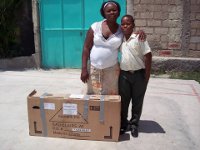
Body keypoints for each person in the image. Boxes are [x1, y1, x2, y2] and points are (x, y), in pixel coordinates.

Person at [80, 1, 146, 95]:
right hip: (93, 69)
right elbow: (86, 48)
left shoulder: (121, 30)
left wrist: (140, 31)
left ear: (118, 12)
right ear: (104, 13)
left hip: (112, 71)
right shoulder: (95, 27)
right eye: (109, 11)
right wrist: (84, 69)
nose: (112, 12)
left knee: (110, 99)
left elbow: (131, 34)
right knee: (91, 98)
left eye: (114, 10)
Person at [119, 15, 152, 137]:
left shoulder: (139, 37)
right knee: (123, 101)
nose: (125, 26)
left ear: (133, 25)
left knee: (137, 102)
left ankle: (134, 125)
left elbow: (148, 56)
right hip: (124, 75)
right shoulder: (120, 38)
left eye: (128, 23)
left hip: (138, 75)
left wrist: (147, 76)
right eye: (123, 24)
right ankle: (123, 124)